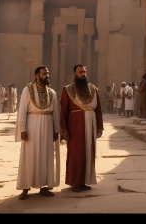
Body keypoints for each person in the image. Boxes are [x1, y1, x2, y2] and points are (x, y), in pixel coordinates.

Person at [15, 66, 60, 200]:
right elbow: (22, 111)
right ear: (36, 75)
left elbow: (55, 113)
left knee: (46, 156)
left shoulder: (52, 92)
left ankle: (44, 186)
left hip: (47, 127)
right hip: (32, 126)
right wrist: (22, 129)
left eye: (48, 73)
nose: (47, 75)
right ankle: (25, 187)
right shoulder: (27, 90)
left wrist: (56, 130)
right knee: (29, 156)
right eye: (44, 73)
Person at [60, 64, 103, 192]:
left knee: (89, 152)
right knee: (76, 152)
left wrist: (100, 126)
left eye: (84, 72)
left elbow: (98, 109)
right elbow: (63, 111)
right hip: (75, 125)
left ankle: (85, 181)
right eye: (80, 72)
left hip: (91, 124)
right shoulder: (68, 90)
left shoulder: (93, 89)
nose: (83, 74)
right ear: (74, 74)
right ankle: (75, 182)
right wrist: (64, 129)